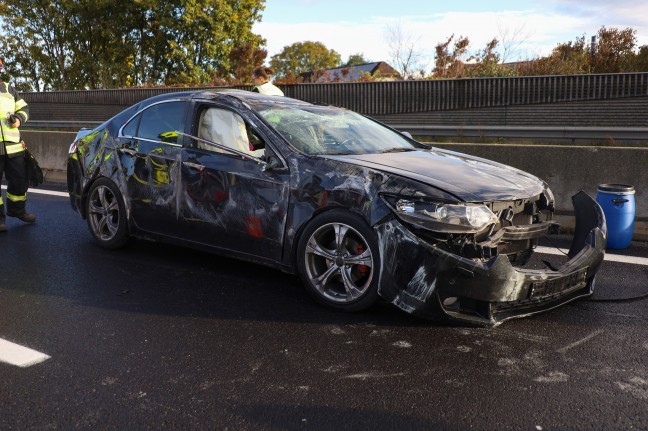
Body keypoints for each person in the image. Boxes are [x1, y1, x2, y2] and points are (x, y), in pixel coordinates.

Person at [0, 57, 35, 232]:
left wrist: (19, 119)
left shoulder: (9, 89)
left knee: (20, 180)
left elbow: (24, 109)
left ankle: (17, 211)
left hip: (13, 146)